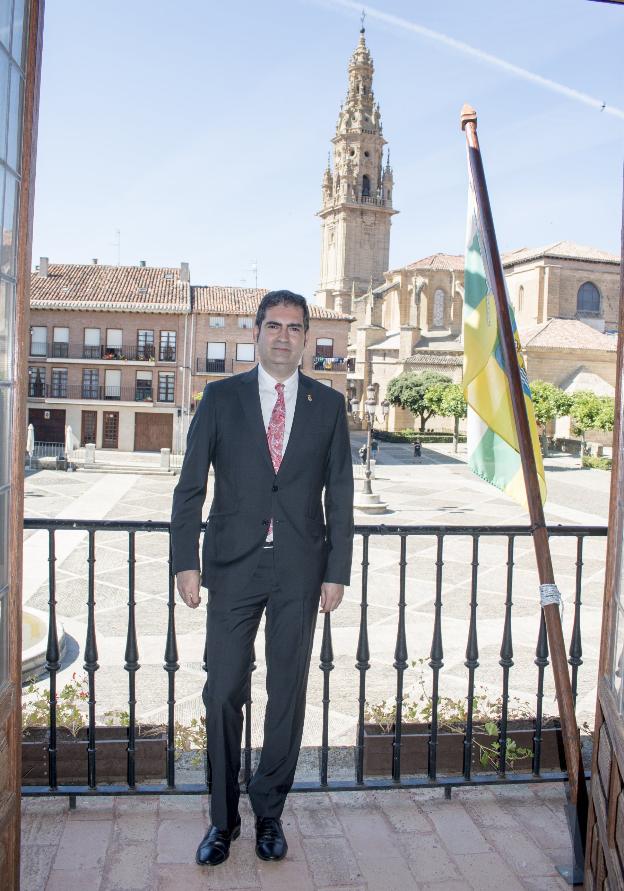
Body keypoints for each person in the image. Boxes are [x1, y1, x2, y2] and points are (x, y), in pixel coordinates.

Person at [171, 290, 354, 867]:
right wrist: (185, 559)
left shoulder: (328, 406)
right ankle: (222, 820)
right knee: (222, 688)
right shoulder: (221, 399)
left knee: (287, 694)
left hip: (300, 570)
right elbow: (190, 487)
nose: (283, 336)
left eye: (294, 328)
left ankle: (269, 812)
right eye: (273, 326)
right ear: (256, 333)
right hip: (232, 566)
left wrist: (336, 570)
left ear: (305, 338)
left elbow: (342, 496)